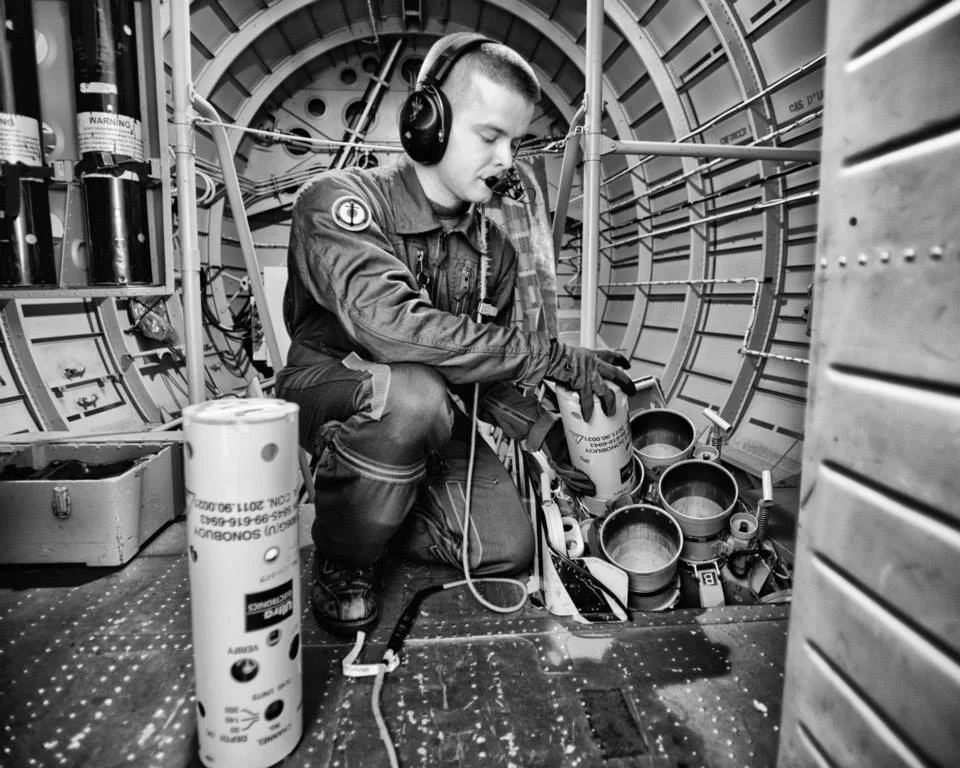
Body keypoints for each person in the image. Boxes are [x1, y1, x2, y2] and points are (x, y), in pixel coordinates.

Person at [276, 32, 635, 636]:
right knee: (412, 393)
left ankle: (374, 512)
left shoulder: (493, 250)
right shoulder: (338, 202)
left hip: (432, 410)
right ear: (428, 122)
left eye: (516, 142)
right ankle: (344, 556)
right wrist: (548, 357)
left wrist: (541, 432)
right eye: (490, 136)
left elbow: (474, 359)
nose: (505, 159)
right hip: (333, 389)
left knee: (505, 549)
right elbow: (391, 329)